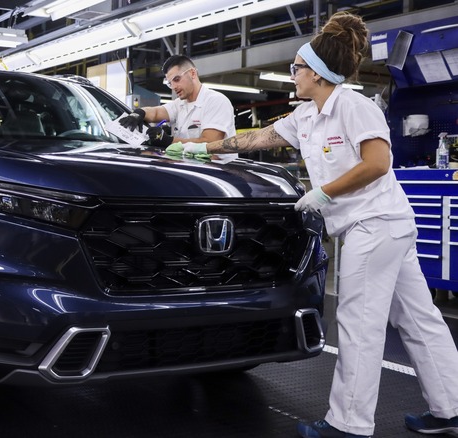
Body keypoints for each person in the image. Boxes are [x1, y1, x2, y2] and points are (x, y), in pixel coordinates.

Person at [177, 11, 458, 438]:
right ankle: (451, 408)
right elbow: (260, 138)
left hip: (375, 224)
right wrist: (204, 149)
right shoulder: (308, 114)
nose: (292, 74)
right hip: (379, 227)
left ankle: (348, 424)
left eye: (297, 68)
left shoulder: (353, 106)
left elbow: (379, 163)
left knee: (360, 323)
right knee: (419, 319)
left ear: (320, 73)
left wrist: (326, 192)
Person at [117, 54, 237, 162]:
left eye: (176, 79)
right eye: (170, 83)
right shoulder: (179, 104)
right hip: (191, 167)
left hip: (219, 172)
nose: (173, 87)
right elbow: (156, 113)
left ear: (192, 73)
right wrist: (139, 113)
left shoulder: (215, 101)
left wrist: (168, 140)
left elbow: (211, 143)